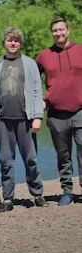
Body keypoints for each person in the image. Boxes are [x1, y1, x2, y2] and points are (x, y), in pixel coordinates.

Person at [0, 27, 47, 212]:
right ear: (4, 42)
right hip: (3, 120)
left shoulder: (29, 64)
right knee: (6, 160)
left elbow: (37, 92)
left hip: (25, 119)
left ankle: (37, 194)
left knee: (31, 159)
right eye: (9, 40)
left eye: (16, 40)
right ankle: (8, 198)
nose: (13, 43)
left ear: (20, 43)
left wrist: (37, 117)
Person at [36, 18, 82, 206]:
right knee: (63, 155)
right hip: (56, 114)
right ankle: (67, 191)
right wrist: (38, 99)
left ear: (68, 31)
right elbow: (31, 78)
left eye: (61, 29)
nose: (58, 33)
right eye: (55, 30)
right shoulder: (44, 55)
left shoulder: (80, 50)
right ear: (52, 33)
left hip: (80, 111)